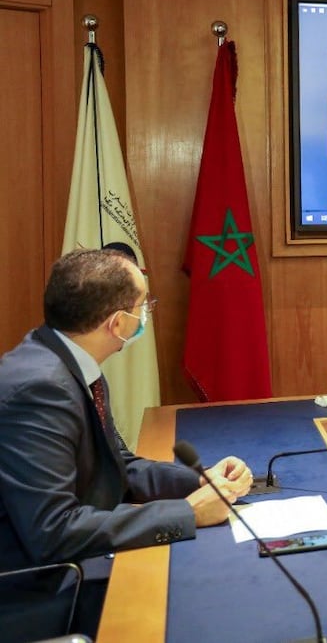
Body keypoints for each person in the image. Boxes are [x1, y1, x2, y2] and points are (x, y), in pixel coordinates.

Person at [0, 249, 253, 639]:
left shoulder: (64, 360)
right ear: (118, 323)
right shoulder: (40, 387)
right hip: (35, 585)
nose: (146, 314)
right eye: (143, 305)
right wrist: (186, 514)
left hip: (66, 562)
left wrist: (197, 482)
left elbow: (120, 464)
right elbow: (53, 531)